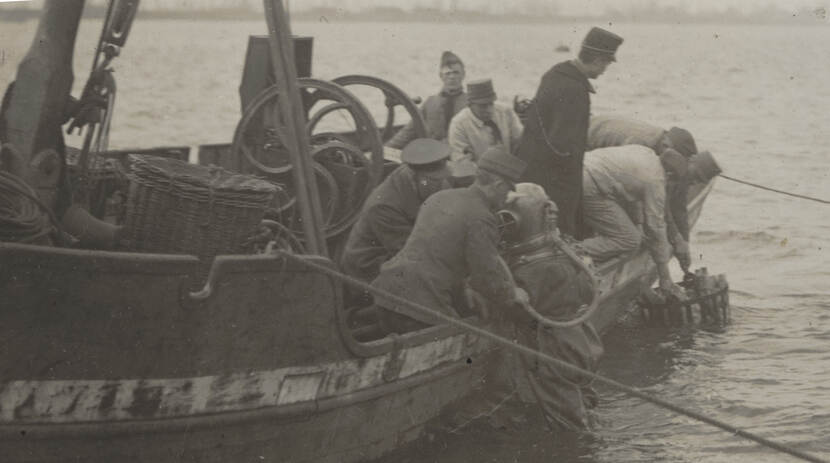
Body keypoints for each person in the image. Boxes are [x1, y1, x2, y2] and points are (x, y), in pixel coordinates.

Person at [371, 146, 529, 334]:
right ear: (498, 186)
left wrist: (465, 289)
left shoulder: (440, 197)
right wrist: (512, 295)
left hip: (385, 293)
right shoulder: (482, 217)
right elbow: (486, 277)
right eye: (508, 190)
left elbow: (436, 253)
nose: (507, 198)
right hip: (420, 306)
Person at [515, 27, 623, 238]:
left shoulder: (555, 73)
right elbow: (563, 148)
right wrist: (567, 199)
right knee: (562, 235)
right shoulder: (575, 89)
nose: (605, 69)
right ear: (598, 59)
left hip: (529, 172)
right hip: (555, 182)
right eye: (607, 63)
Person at [586, 116, 700, 270]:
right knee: (627, 237)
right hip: (585, 141)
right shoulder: (640, 144)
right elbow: (650, 204)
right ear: (669, 148)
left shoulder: (657, 150)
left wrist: (681, 240)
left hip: (594, 167)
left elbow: (667, 201)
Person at [340, 138, 453, 282]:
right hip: (369, 268)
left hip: (406, 250)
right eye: (433, 181)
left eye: (441, 179)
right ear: (413, 176)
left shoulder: (428, 179)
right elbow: (411, 253)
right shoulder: (384, 206)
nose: (439, 186)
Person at [581, 145, 687, 296]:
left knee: (631, 233)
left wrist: (638, 224)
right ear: (669, 174)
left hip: (583, 167)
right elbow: (656, 227)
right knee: (630, 240)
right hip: (590, 183)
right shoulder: (656, 180)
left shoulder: (647, 154)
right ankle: (571, 252)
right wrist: (665, 276)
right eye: (673, 183)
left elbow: (632, 194)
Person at [385, 51, 467, 149]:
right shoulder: (430, 103)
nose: (452, 77)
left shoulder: (471, 103)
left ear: (463, 75)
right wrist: (384, 151)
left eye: (456, 73)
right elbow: (407, 132)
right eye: (448, 73)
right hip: (434, 156)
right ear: (441, 76)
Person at [447, 78, 523, 177]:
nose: (489, 110)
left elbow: (520, 142)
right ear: (470, 105)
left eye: (491, 103)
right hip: (480, 179)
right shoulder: (458, 124)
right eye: (482, 106)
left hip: (511, 173)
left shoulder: (506, 112)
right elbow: (462, 163)